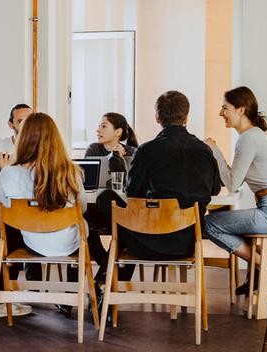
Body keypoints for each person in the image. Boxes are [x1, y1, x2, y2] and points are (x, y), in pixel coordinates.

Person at [94, 90, 222, 283]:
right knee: (124, 220)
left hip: (146, 240)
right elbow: (215, 190)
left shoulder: (146, 151)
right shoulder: (205, 151)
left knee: (107, 199)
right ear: (186, 117)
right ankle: (107, 280)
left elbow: (132, 194)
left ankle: (107, 278)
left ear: (157, 117)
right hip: (188, 242)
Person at [0, 112, 107, 316]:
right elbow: (81, 208)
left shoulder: (8, 173)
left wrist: (6, 170)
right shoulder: (71, 172)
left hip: (32, 243)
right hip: (69, 244)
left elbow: (6, 208)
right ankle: (80, 291)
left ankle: (3, 298)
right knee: (86, 228)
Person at [204, 86, 267, 295]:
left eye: (225, 108)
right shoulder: (256, 135)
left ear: (241, 110)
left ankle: (265, 267)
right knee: (219, 216)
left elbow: (231, 183)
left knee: (208, 224)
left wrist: (215, 151)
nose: (221, 113)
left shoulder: (249, 138)